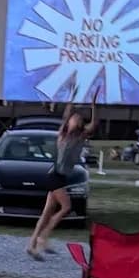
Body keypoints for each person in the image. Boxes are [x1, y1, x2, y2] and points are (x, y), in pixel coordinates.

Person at [28, 81, 99, 260]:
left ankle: (31, 245)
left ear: (81, 124)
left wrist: (93, 105)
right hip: (55, 176)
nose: (75, 119)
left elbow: (94, 123)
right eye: (73, 118)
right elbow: (67, 113)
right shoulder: (63, 134)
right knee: (66, 207)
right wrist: (72, 97)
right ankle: (43, 238)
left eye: (78, 119)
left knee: (47, 213)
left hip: (60, 177)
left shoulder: (81, 136)